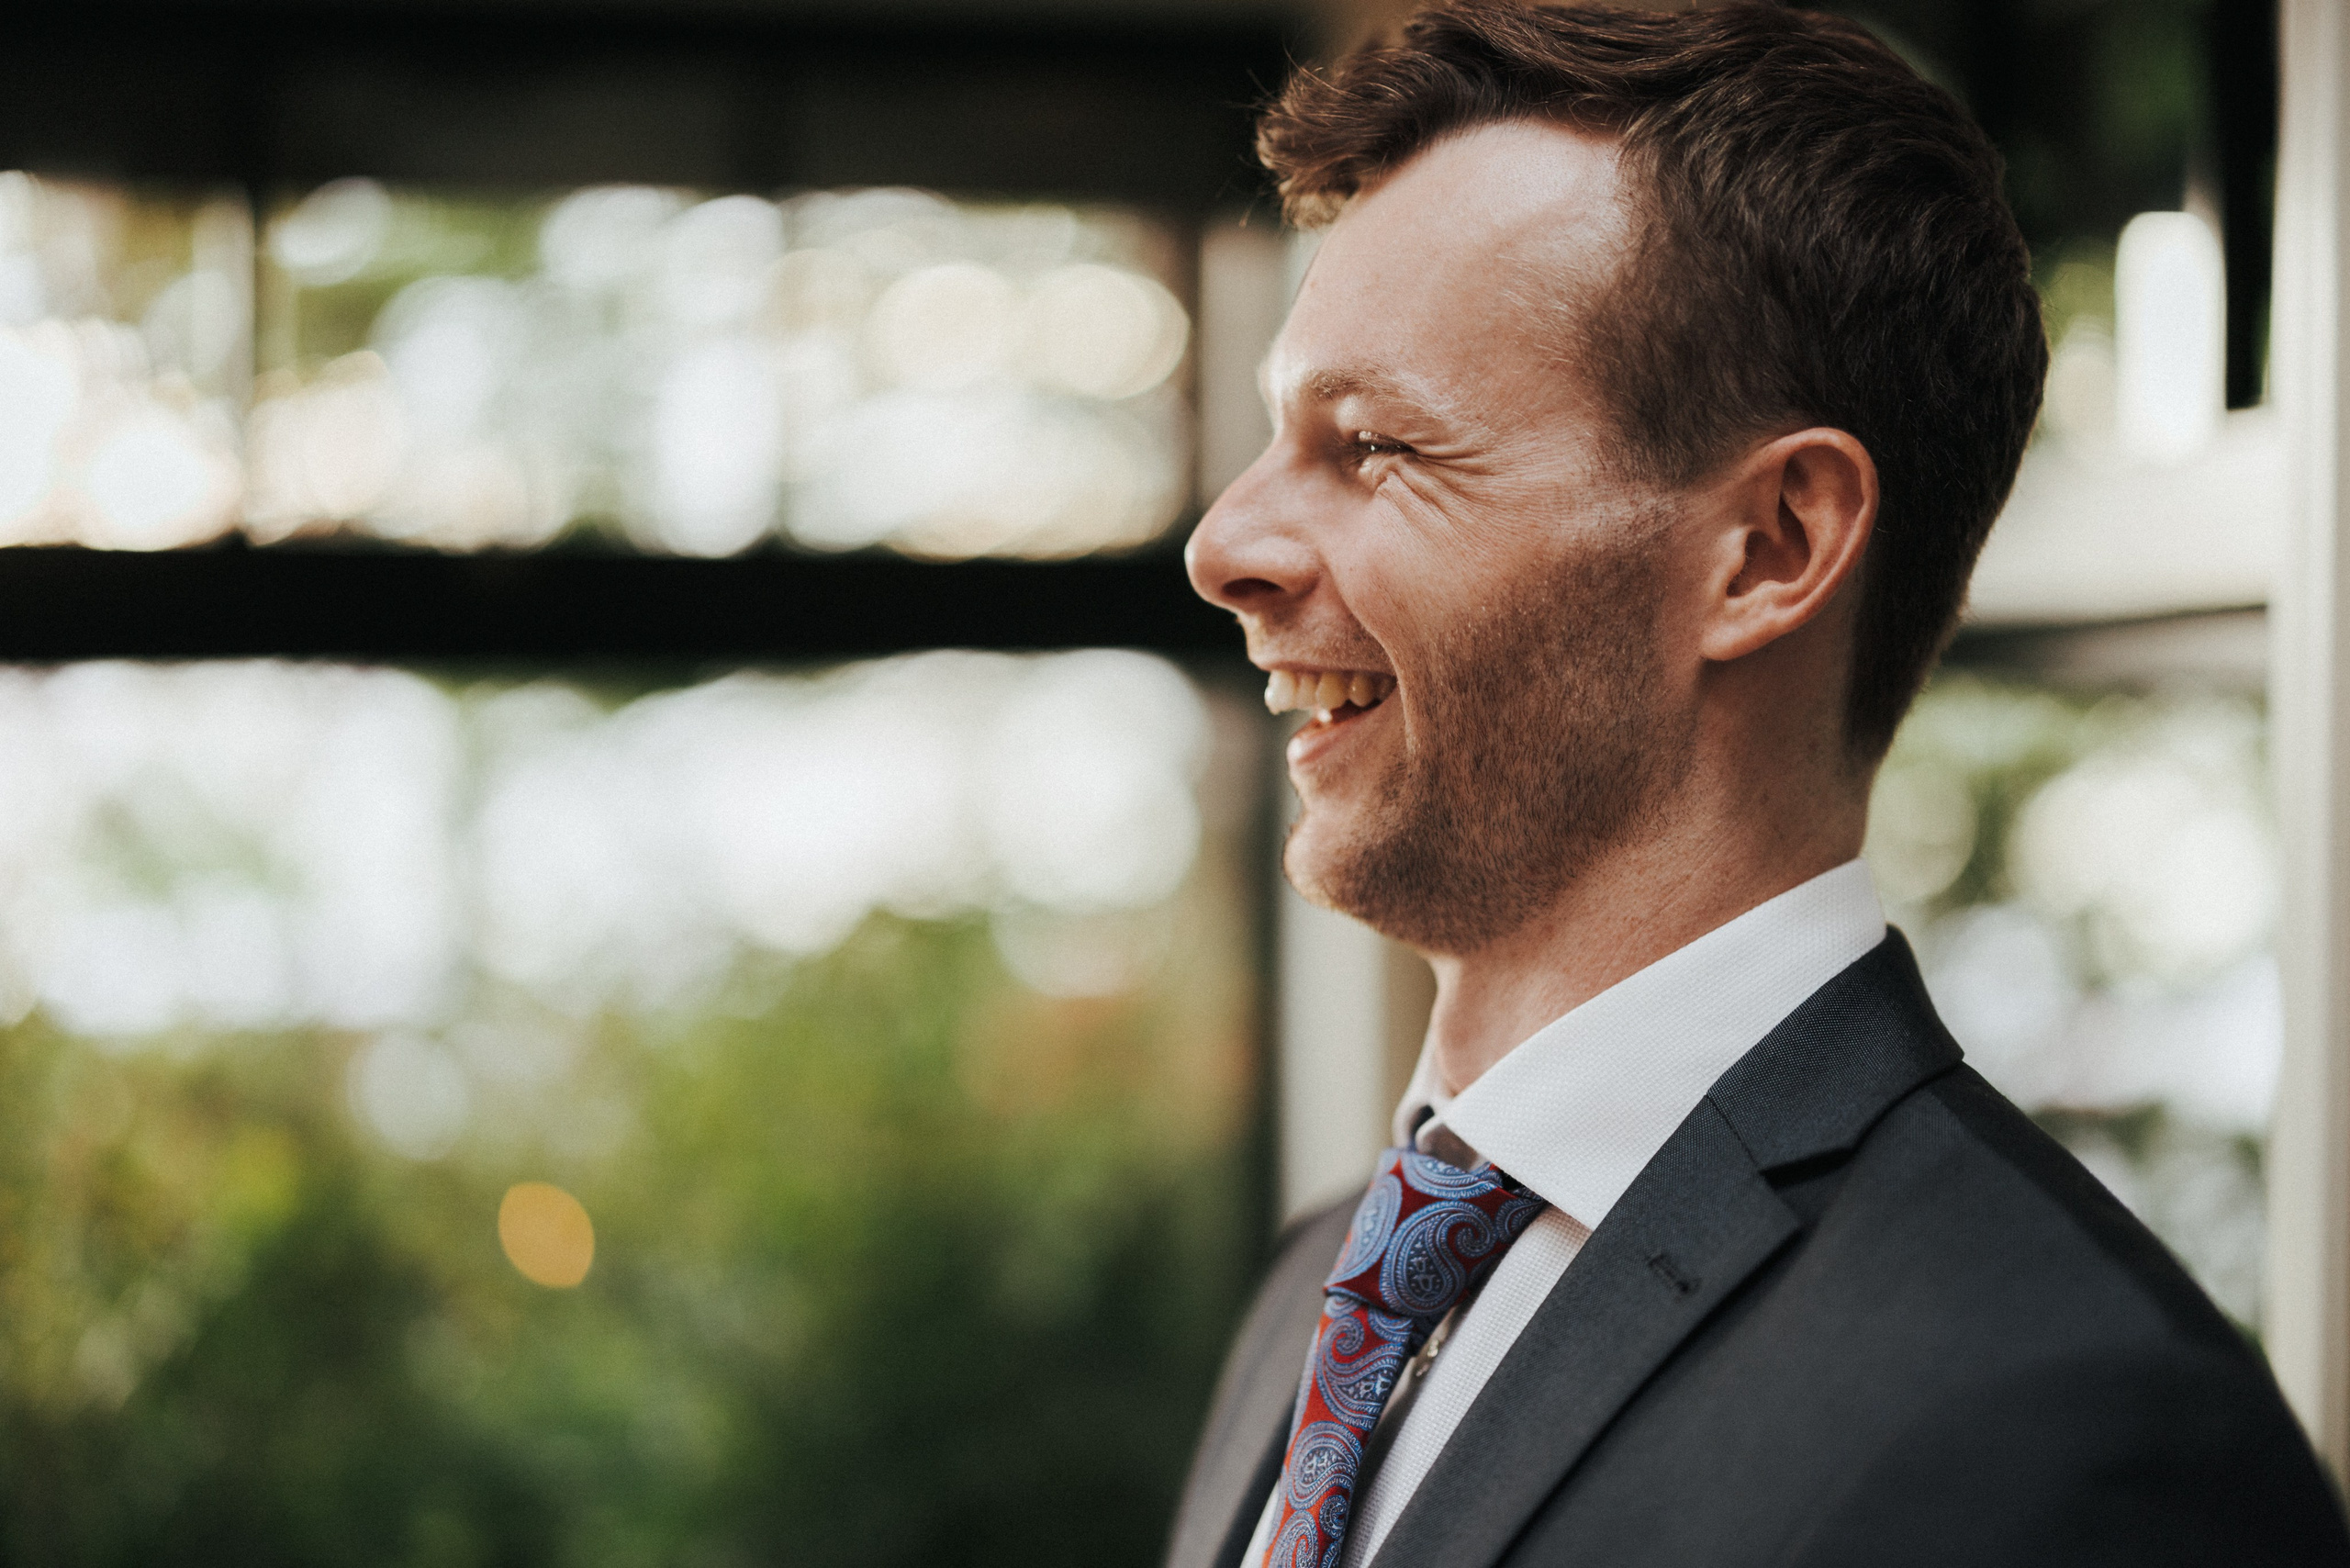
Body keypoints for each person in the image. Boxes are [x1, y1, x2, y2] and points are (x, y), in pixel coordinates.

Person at [1169, 5, 2350, 1566]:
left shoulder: (2071, 1433)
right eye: (1275, 434)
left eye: (1375, 444)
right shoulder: (1334, 1284)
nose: (1223, 546)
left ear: (1773, 547)